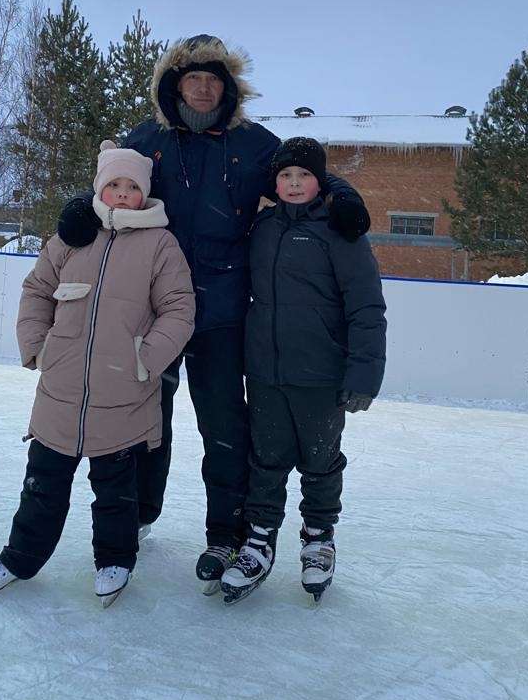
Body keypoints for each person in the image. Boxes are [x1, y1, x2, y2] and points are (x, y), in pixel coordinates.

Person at [57, 35, 372, 590]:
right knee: (143, 417)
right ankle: (139, 513)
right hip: (152, 308)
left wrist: (344, 194)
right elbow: (113, 182)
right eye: (192, 79)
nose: (203, 89)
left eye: (213, 80)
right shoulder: (148, 139)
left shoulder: (253, 144)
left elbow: (304, 170)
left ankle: (226, 533)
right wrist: (82, 204)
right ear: (174, 85)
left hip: (221, 311)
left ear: (229, 89)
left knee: (224, 424)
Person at [0, 141, 195, 604]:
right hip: (61, 387)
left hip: (123, 390)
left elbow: (178, 309)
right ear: (99, 188)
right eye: (113, 184)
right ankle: (19, 558)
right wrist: (38, 347)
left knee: (116, 491)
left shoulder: (160, 244)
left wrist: (146, 360)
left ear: (145, 194)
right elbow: (37, 290)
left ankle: (115, 560)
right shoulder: (73, 235)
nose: (122, 193)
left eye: (132, 186)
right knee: (42, 484)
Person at [220, 137, 387, 604]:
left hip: (320, 372)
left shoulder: (339, 230)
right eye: (286, 176)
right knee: (266, 460)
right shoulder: (262, 227)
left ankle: (318, 538)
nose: (294, 184)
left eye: (305, 175)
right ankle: (259, 540)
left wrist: (363, 374)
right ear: (274, 183)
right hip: (265, 371)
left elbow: (366, 307)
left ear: (321, 181)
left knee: (320, 461)